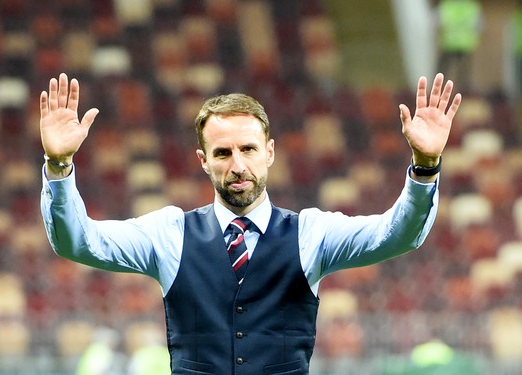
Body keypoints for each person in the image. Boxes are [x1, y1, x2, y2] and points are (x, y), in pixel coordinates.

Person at [39, 72, 461, 374]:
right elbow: (79, 242)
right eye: (223, 153)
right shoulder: (169, 234)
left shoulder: (310, 234)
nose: (238, 165)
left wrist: (425, 165)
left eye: (248, 149)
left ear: (270, 152)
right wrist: (59, 165)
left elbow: (396, 234)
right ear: (203, 161)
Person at [435, 0, 483, 90]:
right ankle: (462, 95)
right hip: (466, 45)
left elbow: (437, 24)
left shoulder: (446, 5)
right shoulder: (472, 7)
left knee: (442, 75)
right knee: (463, 77)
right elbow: (479, 26)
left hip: (448, 43)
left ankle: (439, 94)